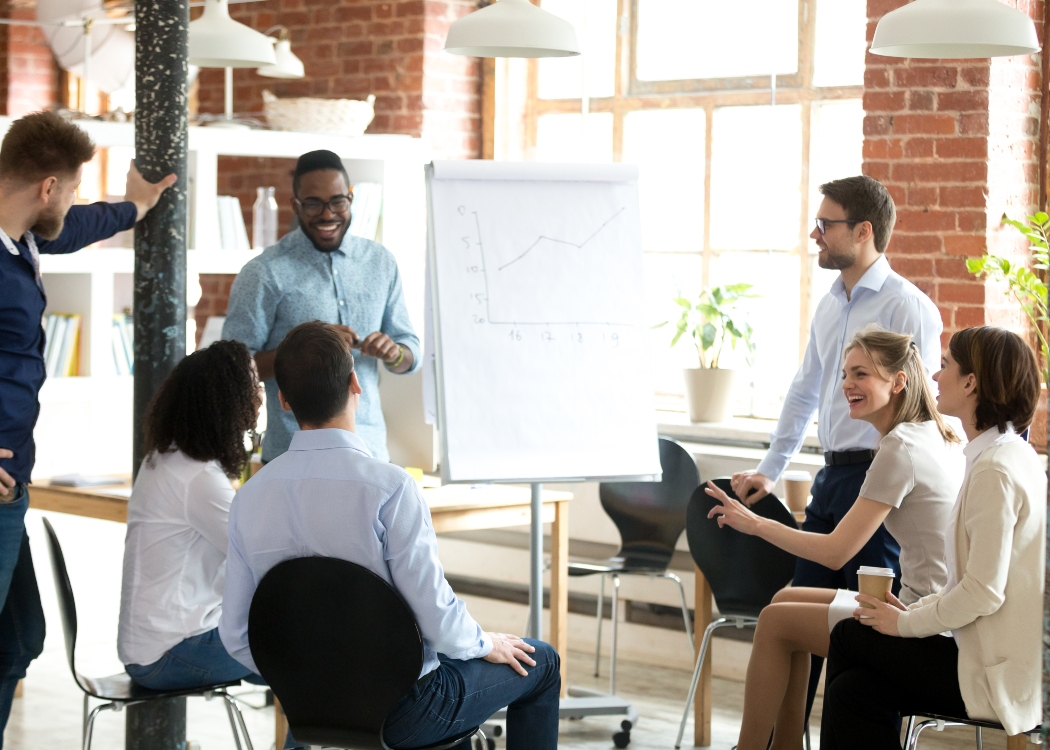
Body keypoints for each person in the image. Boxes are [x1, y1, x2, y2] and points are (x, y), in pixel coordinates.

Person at [218, 322, 561, 750]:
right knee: (541, 661)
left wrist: (304, 681)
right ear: (355, 383)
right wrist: (484, 641)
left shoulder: (249, 499)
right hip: (404, 714)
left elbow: (234, 634)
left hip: (306, 712)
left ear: (283, 401)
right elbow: (437, 620)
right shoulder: (389, 488)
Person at [729, 175, 943, 713]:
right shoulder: (829, 305)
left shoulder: (908, 306)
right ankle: (785, 738)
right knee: (795, 623)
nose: (815, 233)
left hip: (879, 479)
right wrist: (770, 467)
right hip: (830, 478)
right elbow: (806, 389)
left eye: (826, 224)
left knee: (859, 635)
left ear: (864, 230)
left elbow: (924, 404)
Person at [0, 111, 174, 742]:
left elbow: (76, 226)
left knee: (19, 635)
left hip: (13, 478)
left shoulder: (22, 237)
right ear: (47, 186)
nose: (72, 201)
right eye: (70, 187)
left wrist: (133, 207)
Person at [705, 327, 963, 749]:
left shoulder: (900, 448)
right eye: (845, 374)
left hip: (921, 624)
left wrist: (754, 524)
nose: (846, 385)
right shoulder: (936, 433)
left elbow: (835, 552)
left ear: (898, 382)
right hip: (930, 609)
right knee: (784, 601)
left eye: (860, 374)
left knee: (773, 622)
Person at [819, 327, 1045, 748]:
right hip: (982, 655)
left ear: (971, 382)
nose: (935, 377)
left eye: (945, 367)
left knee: (851, 635)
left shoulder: (994, 470)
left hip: (991, 673)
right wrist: (913, 609)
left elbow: (982, 593)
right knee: (856, 691)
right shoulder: (1004, 455)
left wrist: (904, 623)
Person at [222, 149, 420, 464]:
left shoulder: (381, 263)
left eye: (337, 201)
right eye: (313, 203)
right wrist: (311, 347)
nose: (327, 214)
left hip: (370, 456)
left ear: (350, 199)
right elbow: (231, 371)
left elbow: (411, 354)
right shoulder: (265, 272)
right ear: (295, 205)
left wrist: (395, 352)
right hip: (291, 458)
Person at [118, 340, 263, 691]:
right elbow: (258, 556)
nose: (260, 394)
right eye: (253, 385)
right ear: (230, 401)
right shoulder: (197, 478)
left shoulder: (167, 459)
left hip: (150, 646)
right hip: (169, 652)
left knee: (294, 646)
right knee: (305, 648)